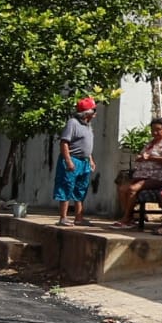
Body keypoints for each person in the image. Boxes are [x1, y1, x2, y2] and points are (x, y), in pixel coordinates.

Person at [112, 119, 162, 228]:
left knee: (133, 189)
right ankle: (130, 217)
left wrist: (151, 158)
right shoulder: (151, 142)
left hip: (160, 176)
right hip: (143, 175)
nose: (155, 132)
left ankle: (126, 219)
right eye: (153, 130)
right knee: (122, 189)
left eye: (158, 130)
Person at [55, 97, 97, 226]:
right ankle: (63, 217)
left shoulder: (88, 126)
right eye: (93, 110)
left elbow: (86, 145)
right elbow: (64, 143)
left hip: (84, 161)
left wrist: (90, 159)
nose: (95, 113)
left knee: (81, 189)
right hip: (72, 159)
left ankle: (79, 217)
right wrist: (68, 161)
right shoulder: (72, 123)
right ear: (87, 112)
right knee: (66, 187)